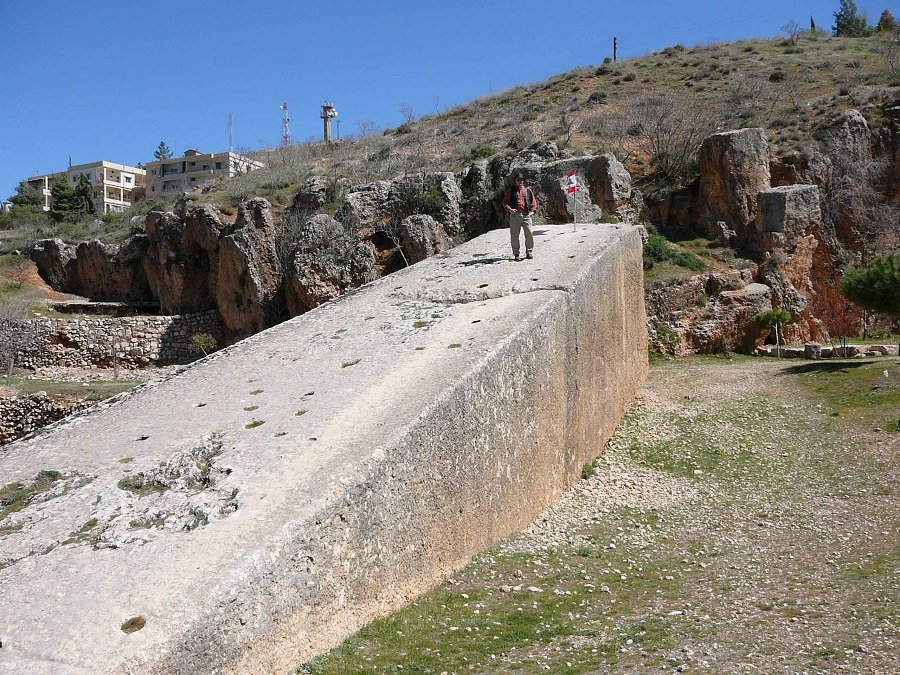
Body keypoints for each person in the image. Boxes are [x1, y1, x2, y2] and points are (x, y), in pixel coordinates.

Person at [503, 173, 537, 261]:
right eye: (518, 180)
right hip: (515, 215)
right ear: (515, 181)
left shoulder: (527, 190)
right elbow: (505, 202)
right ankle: (516, 254)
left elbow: (533, 201)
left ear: (523, 181)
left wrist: (532, 210)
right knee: (514, 235)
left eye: (521, 180)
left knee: (529, 233)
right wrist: (510, 210)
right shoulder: (511, 191)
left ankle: (529, 252)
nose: (520, 181)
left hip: (526, 214)